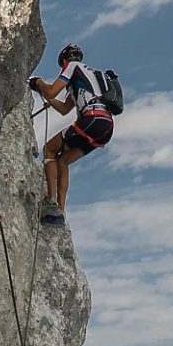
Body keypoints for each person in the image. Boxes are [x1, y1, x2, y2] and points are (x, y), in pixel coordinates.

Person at [27, 43, 114, 226]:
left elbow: (52, 90)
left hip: (91, 118)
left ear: (65, 61)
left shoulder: (73, 67)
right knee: (63, 161)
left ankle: (51, 203)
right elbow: (65, 108)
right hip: (106, 125)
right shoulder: (94, 76)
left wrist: (38, 82)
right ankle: (60, 212)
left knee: (49, 150)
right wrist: (43, 92)